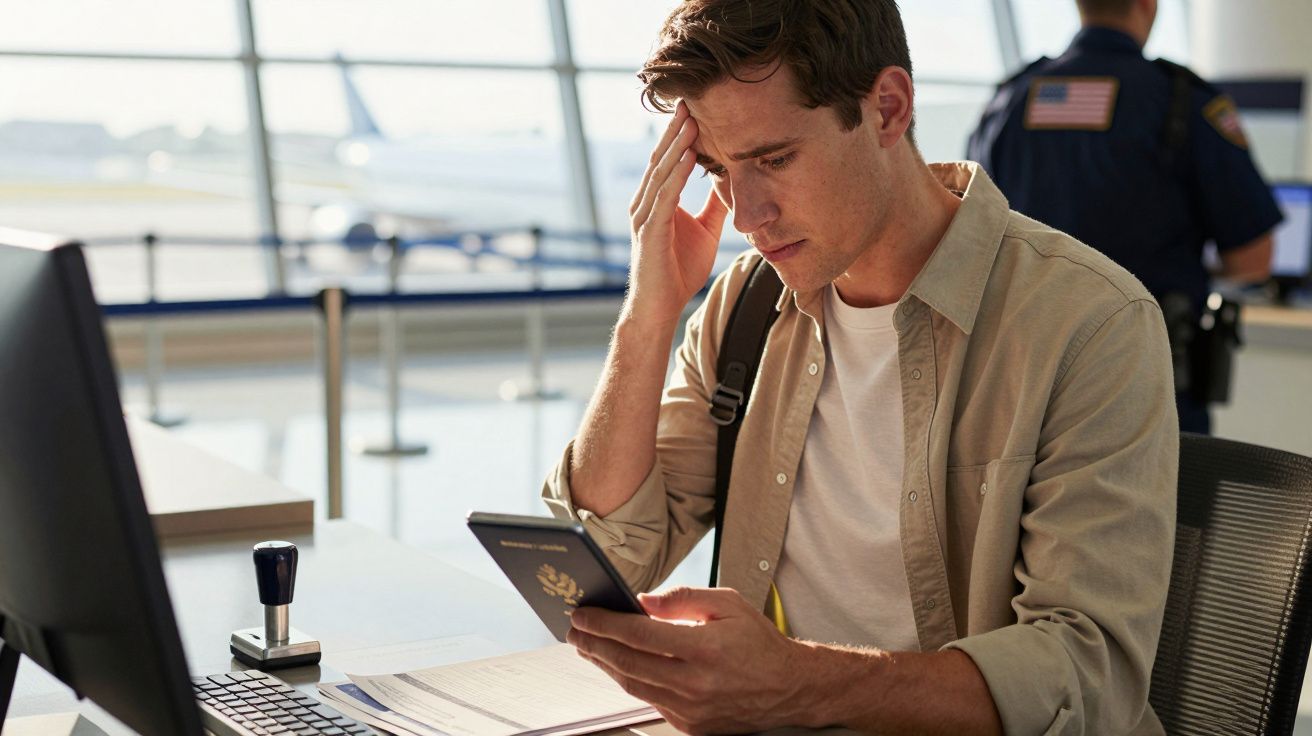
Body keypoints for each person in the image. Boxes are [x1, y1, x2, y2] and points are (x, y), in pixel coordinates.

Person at [544, 1, 1177, 733]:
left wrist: (796, 682)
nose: (746, 215)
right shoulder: (746, 305)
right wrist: (647, 314)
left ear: (887, 108)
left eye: (773, 159)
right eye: (718, 169)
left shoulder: (1089, 323)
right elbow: (606, 565)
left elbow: (1085, 676)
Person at [966, 0, 1283, 435]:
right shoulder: (1182, 101)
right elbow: (1253, 259)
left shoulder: (1011, 100)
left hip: (1020, 390)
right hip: (1149, 391)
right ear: (1147, 6)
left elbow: (973, 234)